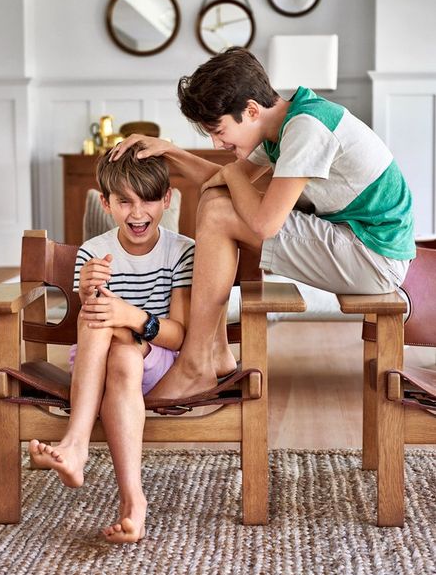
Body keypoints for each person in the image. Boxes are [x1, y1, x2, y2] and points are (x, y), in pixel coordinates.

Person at [110, 47, 415, 404]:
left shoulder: (307, 128)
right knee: (217, 202)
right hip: (357, 245)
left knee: (219, 211)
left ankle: (195, 364)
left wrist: (233, 174)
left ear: (251, 110)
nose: (217, 142)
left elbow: (264, 223)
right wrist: (171, 151)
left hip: (373, 257)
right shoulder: (281, 126)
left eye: (219, 130)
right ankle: (215, 354)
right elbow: (225, 182)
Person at [29, 143, 195, 544]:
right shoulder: (94, 252)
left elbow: (179, 334)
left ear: (167, 199)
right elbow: (88, 330)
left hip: (158, 361)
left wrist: (131, 316)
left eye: (149, 200)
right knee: (112, 341)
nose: (137, 214)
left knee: (112, 329)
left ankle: (76, 444)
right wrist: (88, 294)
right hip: (100, 368)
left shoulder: (181, 251)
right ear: (105, 202)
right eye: (124, 202)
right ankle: (133, 505)